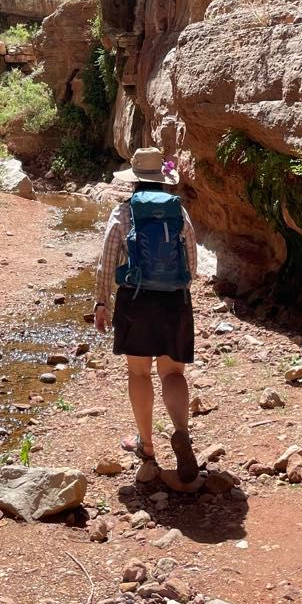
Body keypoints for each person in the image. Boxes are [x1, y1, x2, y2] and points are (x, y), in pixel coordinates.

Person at [94, 146, 200, 483]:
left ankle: (148, 446)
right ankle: (181, 431)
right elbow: (192, 263)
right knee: (172, 374)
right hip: (173, 301)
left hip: (136, 300)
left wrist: (102, 303)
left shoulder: (123, 213)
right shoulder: (179, 213)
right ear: (163, 180)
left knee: (139, 375)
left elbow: (107, 260)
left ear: (135, 180)